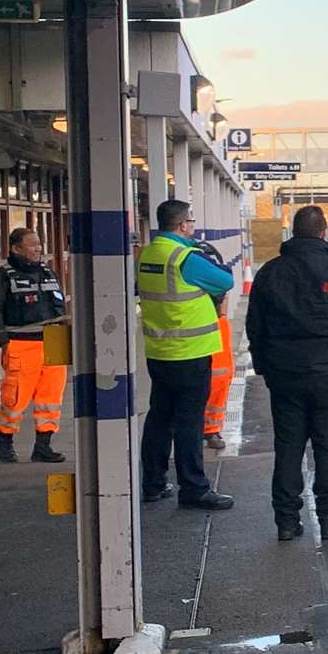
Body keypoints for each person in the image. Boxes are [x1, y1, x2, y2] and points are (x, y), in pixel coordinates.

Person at [247, 205, 328, 541]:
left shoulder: (270, 273)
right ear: (323, 232)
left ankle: (287, 522)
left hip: (285, 374)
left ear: (293, 231)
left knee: (288, 447)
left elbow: (254, 326)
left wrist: (264, 366)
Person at [137, 199, 234, 510]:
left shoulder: (149, 253)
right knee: (190, 423)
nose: (193, 227)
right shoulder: (185, 257)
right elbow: (225, 280)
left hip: (159, 351)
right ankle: (193, 488)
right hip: (189, 353)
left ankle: (152, 483)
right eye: (191, 222)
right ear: (181, 225)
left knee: (159, 417)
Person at [0, 227, 67, 463]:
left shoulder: (49, 273)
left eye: (39, 243)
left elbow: (61, 306)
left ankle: (43, 446)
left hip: (53, 343)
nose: (38, 248)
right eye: (33, 244)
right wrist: (5, 343)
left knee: (51, 398)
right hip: (21, 344)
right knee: (14, 399)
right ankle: (5, 442)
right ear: (16, 248)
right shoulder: (1, 276)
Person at [195, 241, 233, 452]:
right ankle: (210, 429)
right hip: (208, 329)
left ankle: (211, 429)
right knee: (217, 380)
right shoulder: (206, 274)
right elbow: (226, 282)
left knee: (218, 380)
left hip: (207, 330)